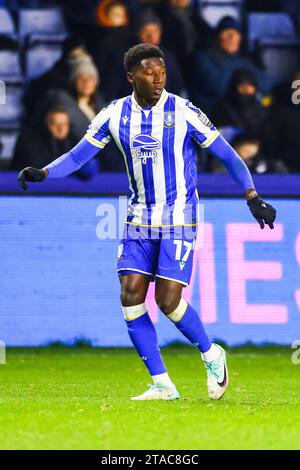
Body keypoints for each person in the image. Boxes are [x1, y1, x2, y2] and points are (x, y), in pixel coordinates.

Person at [18, 44, 276, 401]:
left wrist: (252, 195)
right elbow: (79, 156)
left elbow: (228, 156)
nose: (158, 79)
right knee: (130, 296)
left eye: (163, 73)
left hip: (179, 218)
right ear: (131, 77)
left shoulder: (184, 112)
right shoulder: (114, 114)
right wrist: (45, 172)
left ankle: (211, 353)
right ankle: (162, 384)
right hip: (138, 218)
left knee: (168, 301)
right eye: (149, 73)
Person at [192, 16, 273, 112]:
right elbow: (218, 87)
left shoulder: (245, 59)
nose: (232, 37)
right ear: (218, 36)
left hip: (242, 113)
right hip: (212, 114)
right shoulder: (204, 57)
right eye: (227, 32)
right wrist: (245, 81)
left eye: (236, 33)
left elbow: (268, 84)